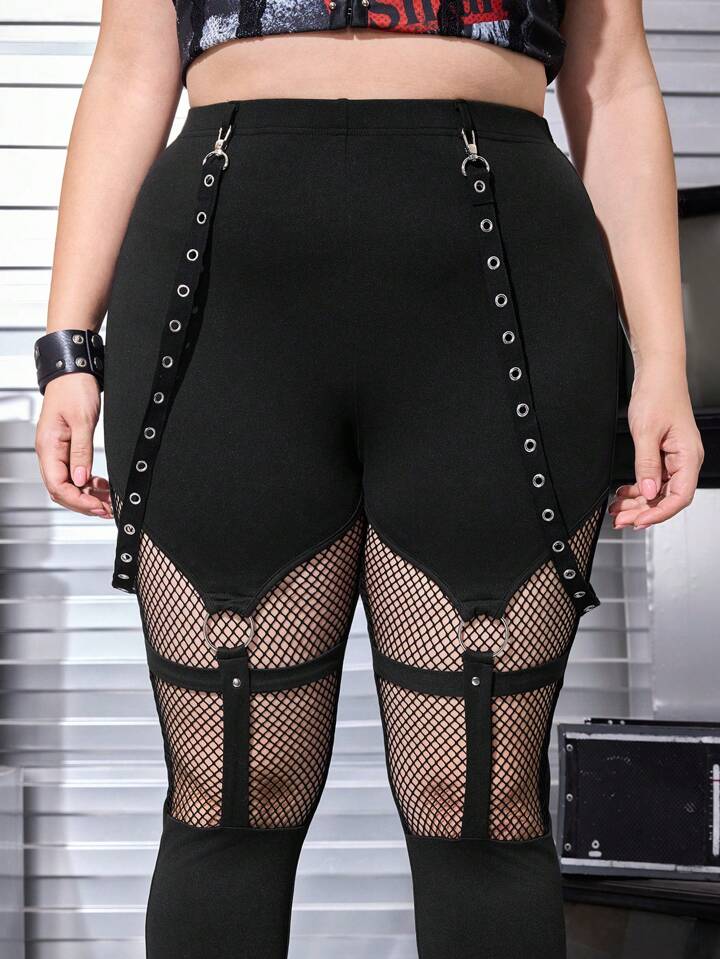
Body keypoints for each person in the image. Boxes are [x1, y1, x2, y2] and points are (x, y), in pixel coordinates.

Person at [33, 1, 703, 956]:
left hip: (504, 289)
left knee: (478, 800)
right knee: (231, 790)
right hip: (222, 299)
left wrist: (665, 361)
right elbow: (130, 67)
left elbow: (615, 78)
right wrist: (68, 346)